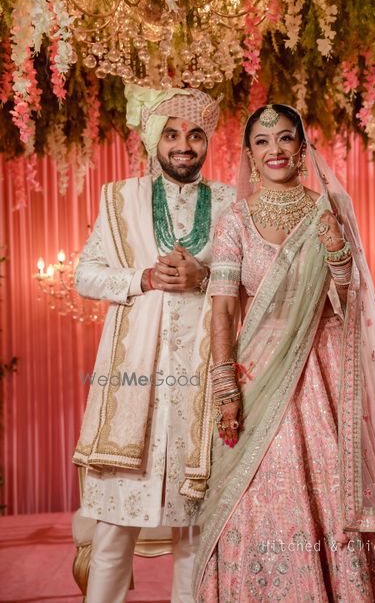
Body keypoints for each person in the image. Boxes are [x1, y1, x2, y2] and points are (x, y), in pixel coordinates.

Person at [183, 104, 375, 601]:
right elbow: (222, 312)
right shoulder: (233, 222)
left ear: (302, 149)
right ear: (248, 155)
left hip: (326, 373)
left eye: (285, 139)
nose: (274, 151)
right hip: (258, 373)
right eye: (262, 143)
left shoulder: (327, 211)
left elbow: (350, 305)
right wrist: (226, 388)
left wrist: (338, 254)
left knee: (334, 482)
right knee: (258, 487)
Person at [72, 86, 235, 603]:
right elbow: (85, 275)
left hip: (203, 376)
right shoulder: (120, 199)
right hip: (133, 377)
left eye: (194, 134)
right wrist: (141, 278)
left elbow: (257, 279)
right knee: (116, 526)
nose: (183, 145)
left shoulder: (233, 202)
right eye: (171, 134)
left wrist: (206, 275)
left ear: (207, 142)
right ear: (153, 140)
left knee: (196, 528)